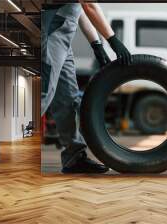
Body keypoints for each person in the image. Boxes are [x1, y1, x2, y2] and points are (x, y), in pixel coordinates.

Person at [41, 2, 132, 173]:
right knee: (45, 93)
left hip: (63, 33)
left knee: (67, 98)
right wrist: (113, 40)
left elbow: (79, 8)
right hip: (53, 29)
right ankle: (15, 151)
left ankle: (74, 158)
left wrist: (96, 45)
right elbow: (89, 5)